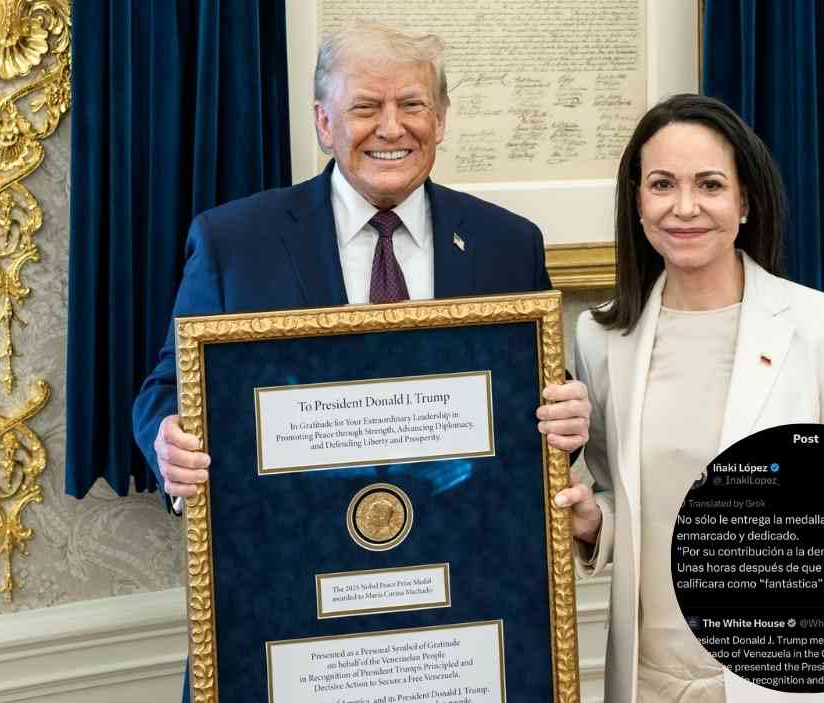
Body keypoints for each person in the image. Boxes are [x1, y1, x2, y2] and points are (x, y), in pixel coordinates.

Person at [131, 24, 592, 701]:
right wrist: (169, 439)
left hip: (458, 602)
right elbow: (166, 389)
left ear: (439, 119)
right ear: (323, 122)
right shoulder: (236, 242)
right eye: (365, 107)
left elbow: (526, 411)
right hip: (286, 595)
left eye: (411, 105)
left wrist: (565, 421)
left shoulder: (506, 244)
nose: (392, 128)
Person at [553, 94, 824, 702]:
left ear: (744, 201)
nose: (685, 207)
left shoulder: (823, 328)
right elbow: (626, 495)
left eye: (710, 185)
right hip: (648, 682)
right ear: (637, 200)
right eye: (662, 184)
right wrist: (594, 523)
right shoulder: (601, 337)